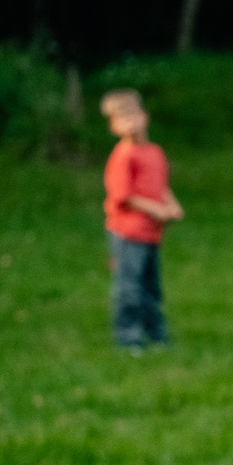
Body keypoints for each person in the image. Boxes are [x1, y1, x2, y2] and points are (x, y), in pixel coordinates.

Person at [99, 88, 182, 351]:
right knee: (129, 290)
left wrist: (171, 205)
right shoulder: (123, 157)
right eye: (122, 119)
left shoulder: (154, 152)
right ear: (113, 126)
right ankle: (129, 339)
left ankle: (157, 336)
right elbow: (123, 196)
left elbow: (159, 186)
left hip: (150, 233)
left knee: (151, 289)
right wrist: (155, 210)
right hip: (127, 233)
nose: (130, 123)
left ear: (144, 117)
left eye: (133, 116)